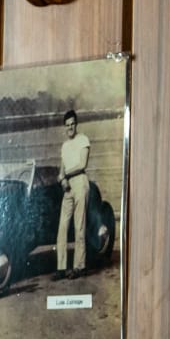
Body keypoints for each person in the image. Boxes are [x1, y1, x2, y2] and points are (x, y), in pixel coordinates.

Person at [56, 109, 91, 280]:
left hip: (80, 183)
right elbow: (61, 170)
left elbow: (82, 164)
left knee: (79, 225)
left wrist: (65, 175)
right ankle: (61, 268)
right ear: (64, 127)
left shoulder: (83, 139)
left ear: (76, 124)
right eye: (67, 125)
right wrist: (62, 180)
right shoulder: (64, 146)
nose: (70, 127)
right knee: (62, 226)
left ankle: (79, 266)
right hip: (68, 187)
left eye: (72, 124)